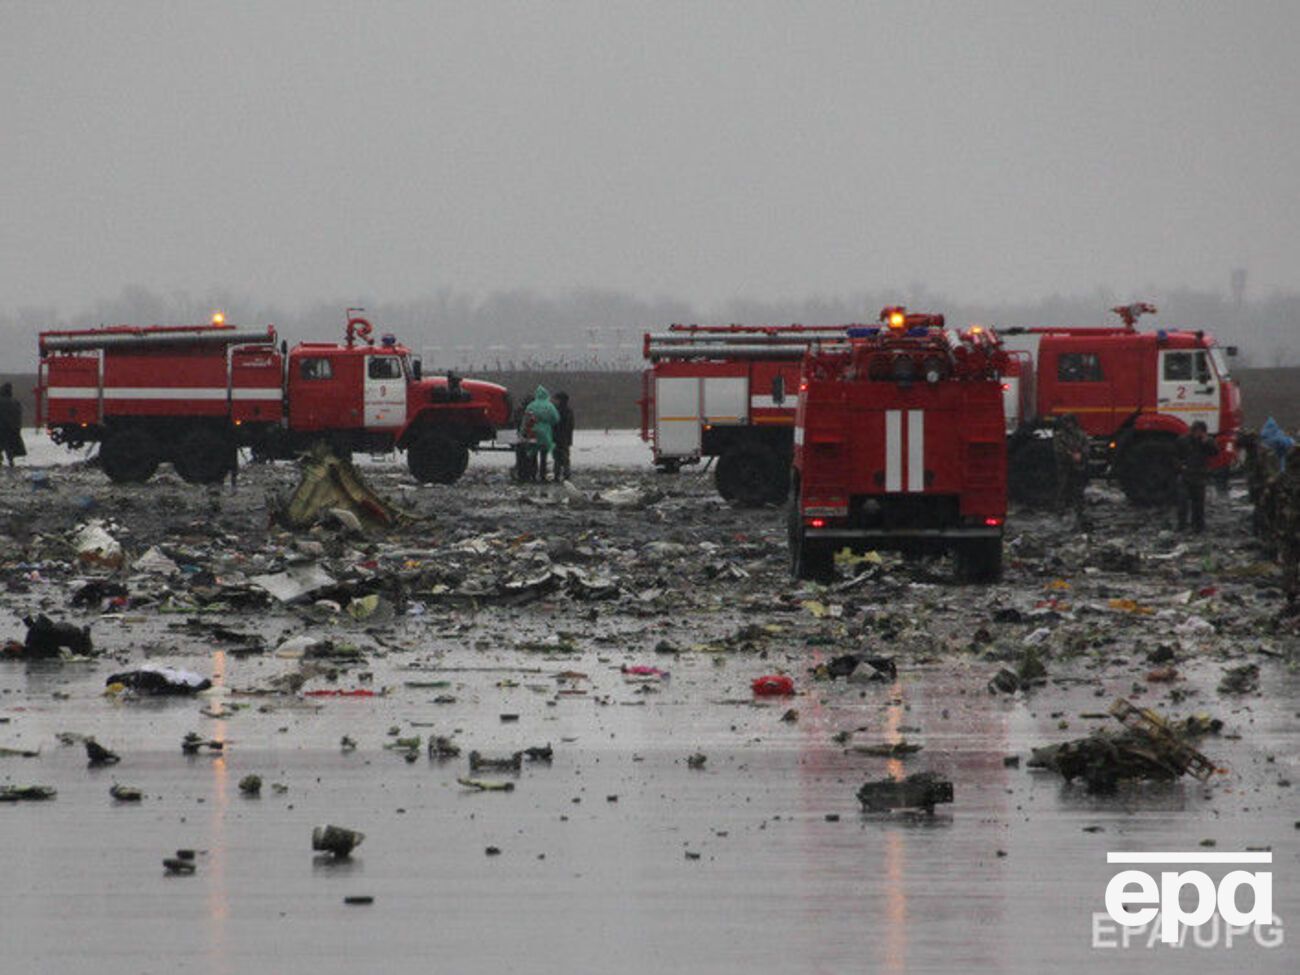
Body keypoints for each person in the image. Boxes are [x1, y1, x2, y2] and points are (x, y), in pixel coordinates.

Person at [1175, 420, 1219, 533]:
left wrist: (1207, 442)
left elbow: (1215, 452)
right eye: (1196, 431)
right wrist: (1180, 466)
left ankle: (1198, 527)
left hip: (1199, 475)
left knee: (1198, 505)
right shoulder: (1183, 440)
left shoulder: (1206, 442)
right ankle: (1181, 526)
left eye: (1201, 431)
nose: (1198, 434)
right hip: (1186, 475)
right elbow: (1175, 456)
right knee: (1182, 503)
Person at [1274, 445, 1300, 613]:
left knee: (1289, 563)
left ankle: (1291, 595)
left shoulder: (1281, 478)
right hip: (1290, 528)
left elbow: (1270, 502)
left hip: (1287, 529)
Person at [1053, 413, 1088, 526]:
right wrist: (1070, 454)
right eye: (1067, 423)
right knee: (1063, 489)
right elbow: (1058, 449)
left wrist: (1080, 454)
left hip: (1078, 467)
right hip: (1065, 466)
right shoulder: (1059, 435)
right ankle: (1060, 512)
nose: (1069, 425)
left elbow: (1086, 447)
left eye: (1070, 422)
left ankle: (1079, 512)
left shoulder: (1081, 435)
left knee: (1078, 490)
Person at [524, 386, 560, 482]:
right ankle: (542, 475)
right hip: (545, 432)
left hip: (533, 432)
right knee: (543, 455)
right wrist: (547, 423)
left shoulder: (531, 406)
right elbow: (556, 418)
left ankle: (533, 474)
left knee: (533, 454)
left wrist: (524, 431)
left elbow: (526, 419)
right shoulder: (549, 406)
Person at [0, 383, 26, 467]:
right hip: (12, 429)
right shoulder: (15, 402)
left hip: (2, 428)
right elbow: (18, 415)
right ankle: (10, 460)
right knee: (9, 446)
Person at [513, 391, 536, 482]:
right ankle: (531, 475)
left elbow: (516, 423)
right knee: (531, 458)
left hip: (522, 438)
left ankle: (523, 475)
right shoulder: (535, 412)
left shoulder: (520, 411)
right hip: (531, 438)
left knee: (521, 458)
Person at [552, 391, 574, 482]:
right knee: (565, 457)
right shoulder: (569, 411)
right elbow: (571, 425)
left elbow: (554, 424)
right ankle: (566, 475)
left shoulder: (556, 410)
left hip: (557, 437)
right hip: (565, 438)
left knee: (557, 457)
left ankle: (557, 475)